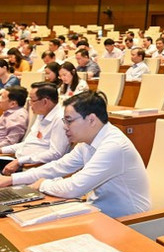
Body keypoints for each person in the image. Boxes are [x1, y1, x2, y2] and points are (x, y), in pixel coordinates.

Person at [0, 91, 151, 218]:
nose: (65, 127)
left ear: (91, 119)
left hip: (127, 220)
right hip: (98, 211)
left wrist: (43, 184)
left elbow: (75, 187)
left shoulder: (114, 146)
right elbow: (58, 167)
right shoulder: (87, 141)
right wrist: (11, 180)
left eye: (69, 121)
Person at [1, 82, 69, 175]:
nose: (29, 104)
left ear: (45, 101)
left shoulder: (60, 120)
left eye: (32, 100)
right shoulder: (41, 115)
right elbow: (28, 143)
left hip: (34, 168)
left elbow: (55, 153)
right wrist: (2, 150)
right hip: (19, 161)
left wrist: (20, 162)